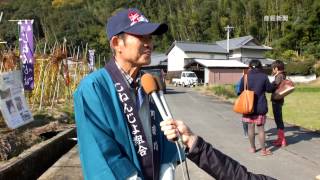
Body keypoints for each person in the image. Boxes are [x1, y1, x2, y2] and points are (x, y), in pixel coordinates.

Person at [73, 8, 178, 180]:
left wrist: (167, 170)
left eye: (150, 37)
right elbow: (99, 150)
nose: (149, 43)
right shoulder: (93, 88)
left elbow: (164, 135)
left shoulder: (149, 83)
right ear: (116, 43)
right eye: (141, 36)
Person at [160, 119, 276, 180]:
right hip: (261, 110)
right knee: (259, 128)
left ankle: (253, 147)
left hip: (250, 110)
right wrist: (191, 140)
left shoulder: (248, 77)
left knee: (251, 127)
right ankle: (260, 148)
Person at [238, 59, 274, 156]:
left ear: (249, 67)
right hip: (260, 107)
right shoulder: (264, 76)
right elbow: (269, 89)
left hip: (247, 107)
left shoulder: (245, 77)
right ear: (260, 67)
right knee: (261, 129)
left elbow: (240, 90)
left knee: (250, 128)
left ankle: (252, 148)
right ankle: (263, 151)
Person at [271, 60, 287, 147]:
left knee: (278, 119)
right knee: (278, 119)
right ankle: (281, 138)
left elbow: (274, 86)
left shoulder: (279, 76)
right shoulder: (283, 75)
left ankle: (282, 140)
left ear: (276, 68)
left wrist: (270, 85)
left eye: (273, 69)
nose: (272, 71)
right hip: (280, 99)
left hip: (277, 99)